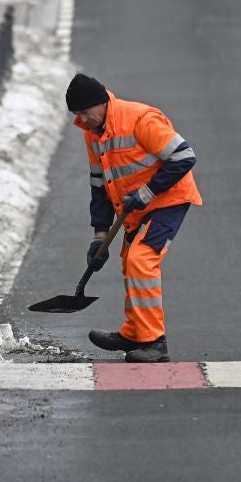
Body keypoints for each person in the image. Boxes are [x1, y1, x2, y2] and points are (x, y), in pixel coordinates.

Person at [65, 73, 202, 363]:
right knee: (129, 260)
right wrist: (99, 236)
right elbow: (99, 184)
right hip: (136, 206)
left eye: (85, 113)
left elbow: (184, 156)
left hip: (168, 200)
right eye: (77, 115)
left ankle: (154, 343)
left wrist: (148, 193)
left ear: (102, 103)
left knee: (141, 259)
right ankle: (135, 332)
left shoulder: (139, 119)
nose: (83, 120)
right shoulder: (92, 132)